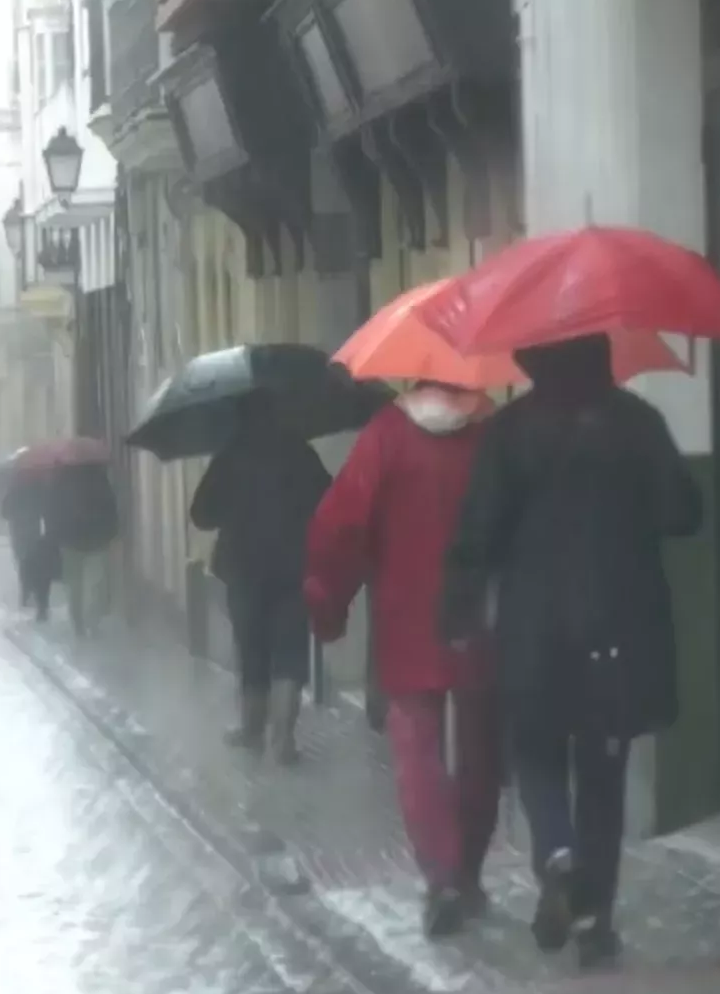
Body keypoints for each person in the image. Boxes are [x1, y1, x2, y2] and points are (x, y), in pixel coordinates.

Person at [438, 334, 702, 967]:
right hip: (619, 624)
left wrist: (457, 608)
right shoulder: (637, 422)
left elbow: (479, 530)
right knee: (604, 775)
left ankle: (558, 855)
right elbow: (683, 512)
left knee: (535, 750)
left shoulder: (510, 432)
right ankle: (594, 923)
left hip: (535, 629)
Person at [304, 381, 500, 937]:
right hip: (481, 620)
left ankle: (440, 875)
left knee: (417, 751)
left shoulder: (386, 436)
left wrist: (328, 601)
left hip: (408, 619)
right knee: (480, 751)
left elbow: (342, 526)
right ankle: (468, 871)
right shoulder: (491, 434)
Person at [190, 392, 332, 763]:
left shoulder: (229, 455)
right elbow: (330, 499)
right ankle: (282, 740)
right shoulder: (300, 452)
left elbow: (200, 514)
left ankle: (251, 729)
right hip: (294, 565)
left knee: (252, 648)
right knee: (290, 651)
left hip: (244, 568)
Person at [46, 461, 120, 638]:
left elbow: (52, 511)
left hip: (70, 542)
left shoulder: (60, 481)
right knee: (96, 582)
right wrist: (112, 532)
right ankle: (92, 620)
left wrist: (55, 535)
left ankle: (78, 623)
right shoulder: (100, 479)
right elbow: (111, 508)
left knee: (74, 585)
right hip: (97, 540)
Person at [1, 474, 58, 621]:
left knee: (26, 565)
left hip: (22, 536)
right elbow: (49, 510)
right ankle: (41, 604)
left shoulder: (14, 489)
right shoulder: (42, 489)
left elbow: (4, 512)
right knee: (42, 570)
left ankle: (27, 593)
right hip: (39, 536)